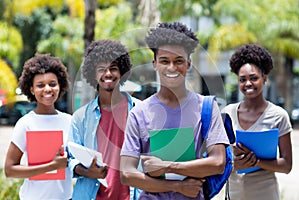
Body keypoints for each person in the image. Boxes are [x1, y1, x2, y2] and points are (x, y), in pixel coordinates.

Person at [120, 21, 230, 199]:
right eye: (165, 61)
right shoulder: (139, 113)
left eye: (178, 61)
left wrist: (168, 166)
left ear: (188, 63)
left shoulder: (207, 107)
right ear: (155, 63)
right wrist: (178, 186)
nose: (172, 68)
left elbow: (218, 162)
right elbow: (126, 174)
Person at [68, 39, 140, 200]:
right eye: (102, 69)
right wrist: (87, 172)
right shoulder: (80, 118)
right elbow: (70, 159)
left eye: (113, 69)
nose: (108, 74)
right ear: (93, 74)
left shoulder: (141, 111)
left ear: (122, 72)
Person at [222, 44, 293, 199]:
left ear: (264, 79)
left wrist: (256, 161)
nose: (248, 83)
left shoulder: (278, 116)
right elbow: (217, 157)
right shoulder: (227, 113)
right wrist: (234, 164)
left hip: (265, 194)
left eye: (253, 78)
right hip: (234, 195)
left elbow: (287, 165)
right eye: (242, 79)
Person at [4, 54, 72, 200]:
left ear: (60, 86)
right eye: (40, 85)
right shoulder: (26, 123)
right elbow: (10, 170)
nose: (47, 89)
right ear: (32, 89)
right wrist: (51, 166)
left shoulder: (69, 121)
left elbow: (74, 164)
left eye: (52, 84)